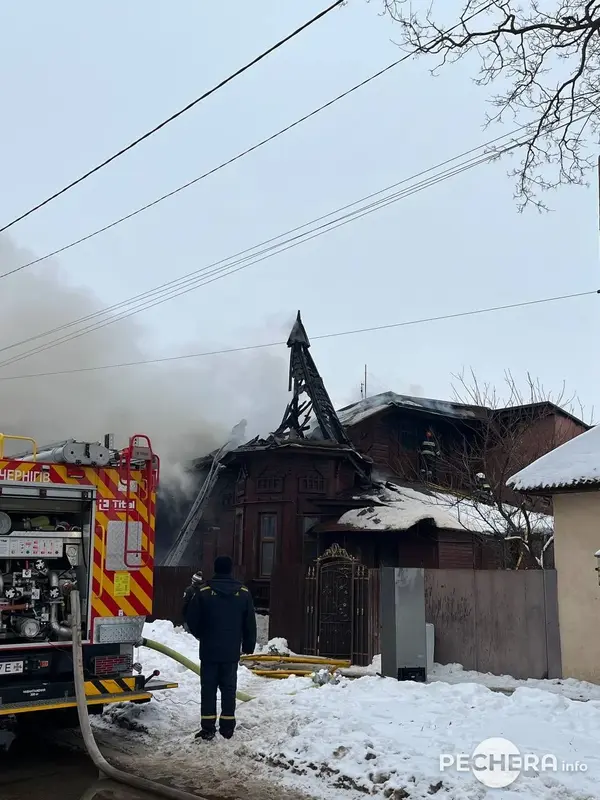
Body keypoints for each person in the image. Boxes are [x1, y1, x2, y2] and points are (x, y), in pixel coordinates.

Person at [183, 555, 256, 741]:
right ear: (230, 569)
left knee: (208, 689)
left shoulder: (204, 592)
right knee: (229, 688)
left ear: (215, 569)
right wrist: (248, 645)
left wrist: (202, 635)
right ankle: (227, 728)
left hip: (209, 650)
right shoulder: (244, 593)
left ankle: (208, 728)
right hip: (231, 651)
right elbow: (250, 623)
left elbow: (192, 619)